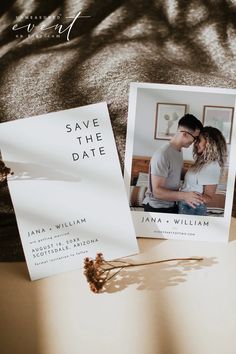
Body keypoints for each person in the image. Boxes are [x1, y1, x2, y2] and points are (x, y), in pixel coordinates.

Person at [143, 113, 203, 213]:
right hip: (157, 209)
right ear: (185, 134)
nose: (195, 142)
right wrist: (185, 196)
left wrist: (196, 174)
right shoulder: (163, 154)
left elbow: (175, 171)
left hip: (172, 204)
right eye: (195, 138)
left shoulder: (177, 151)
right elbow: (157, 192)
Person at [178, 126, 227, 215]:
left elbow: (208, 197)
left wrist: (186, 197)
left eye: (199, 140)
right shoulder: (202, 163)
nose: (195, 144)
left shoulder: (212, 165)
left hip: (192, 208)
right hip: (186, 205)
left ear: (210, 143)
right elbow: (192, 179)